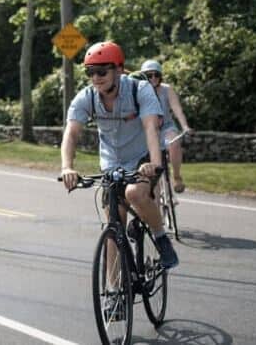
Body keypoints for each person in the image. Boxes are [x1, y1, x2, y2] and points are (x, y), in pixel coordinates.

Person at [59, 41, 179, 272]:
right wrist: (67, 167)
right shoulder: (88, 97)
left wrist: (154, 164)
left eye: (102, 71)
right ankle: (113, 293)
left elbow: (151, 128)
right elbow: (71, 134)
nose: (96, 77)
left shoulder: (139, 90)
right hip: (111, 164)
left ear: (119, 70)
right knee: (113, 226)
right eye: (90, 72)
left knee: (134, 193)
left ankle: (161, 238)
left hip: (142, 156)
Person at [140, 60, 193, 193]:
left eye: (156, 75)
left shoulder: (166, 89)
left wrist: (185, 126)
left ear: (160, 76)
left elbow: (177, 109)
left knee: (174, 143)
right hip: (147, 131)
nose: (153, 78)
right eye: (148, 75)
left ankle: (176, 176)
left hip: (166, 128)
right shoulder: (139, 90)